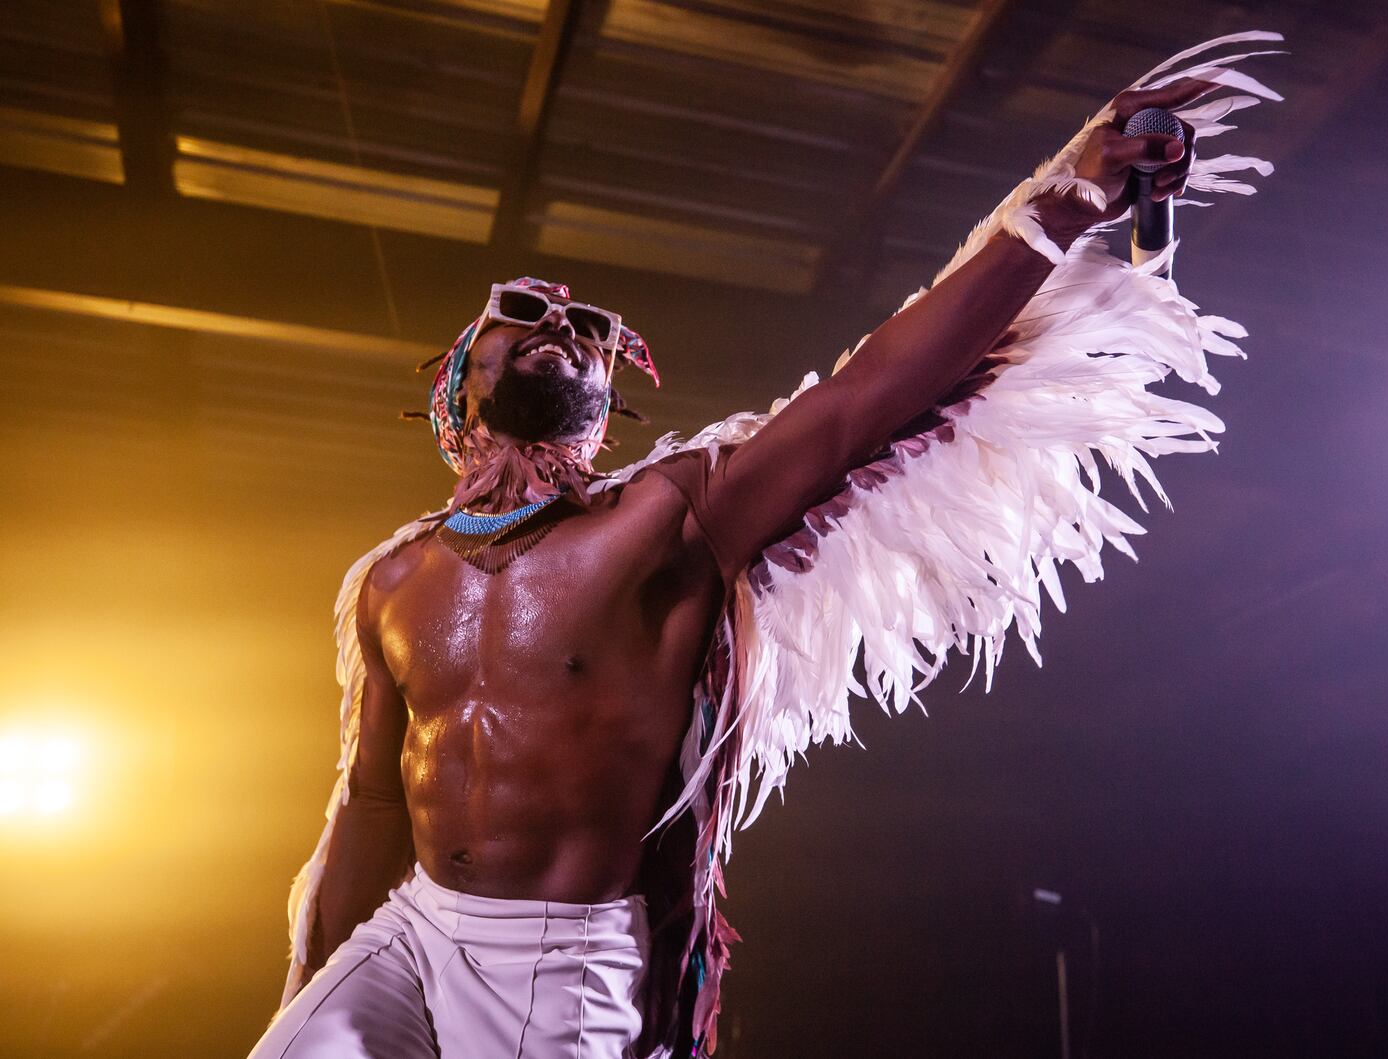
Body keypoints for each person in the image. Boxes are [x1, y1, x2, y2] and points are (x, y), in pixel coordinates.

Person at [250, 33, 1283, 1059]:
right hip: (411, 931)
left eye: (599, 333)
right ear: (455, 390)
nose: (568, 322)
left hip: (552, 964)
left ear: (604, 415)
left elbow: (862, 401)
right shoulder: (391, 580)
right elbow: (374, 796)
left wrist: (1066, 198)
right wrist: (313, 981)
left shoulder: (663, 520)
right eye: (524, 312)